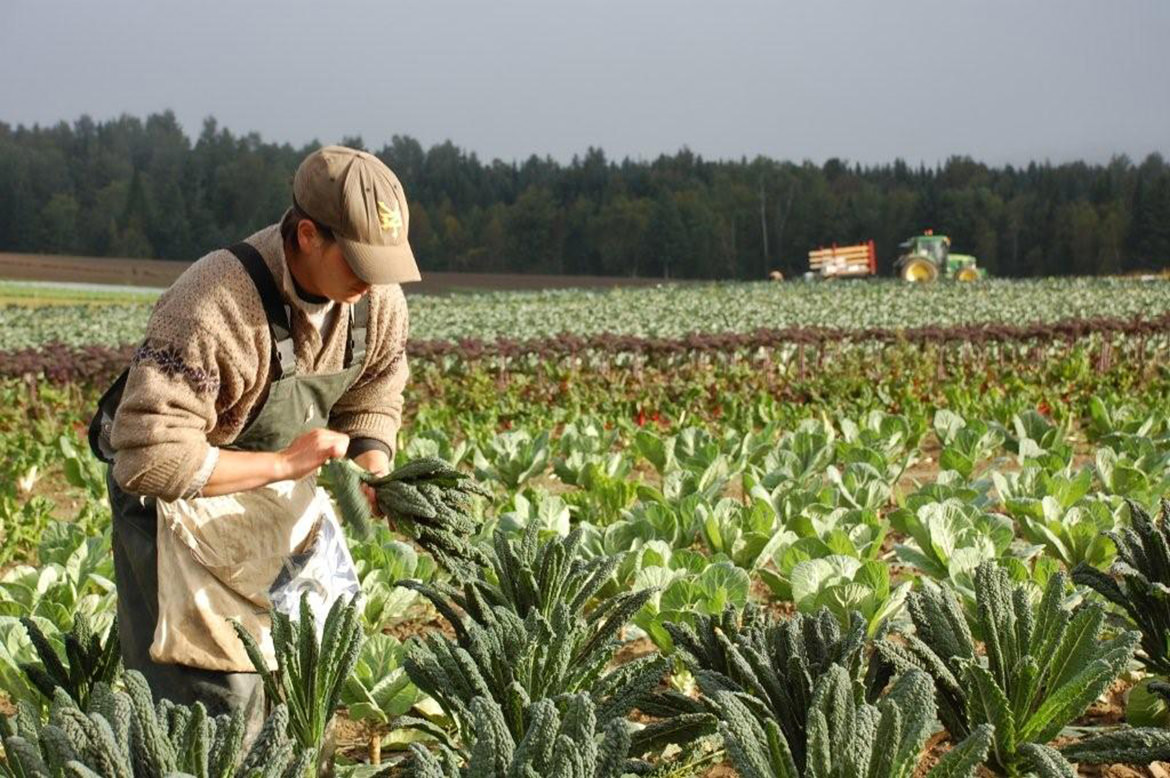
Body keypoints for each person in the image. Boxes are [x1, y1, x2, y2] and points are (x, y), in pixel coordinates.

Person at [88, 145, 418, 731]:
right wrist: (286, 463)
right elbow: (149, 460)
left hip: (275, 492)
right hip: (175, 502)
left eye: (383, 266)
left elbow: (376, 392)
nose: (373, 284)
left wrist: (372, 461)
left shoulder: (374, 299)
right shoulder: (215, 302)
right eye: (360, 264)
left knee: (307, 681)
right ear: (309, 235)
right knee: (221, 701)